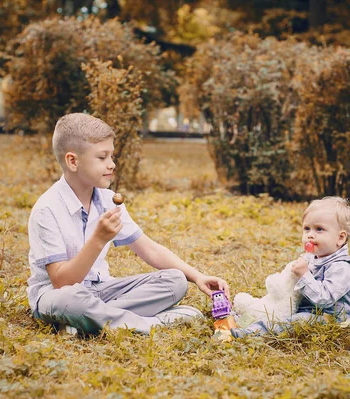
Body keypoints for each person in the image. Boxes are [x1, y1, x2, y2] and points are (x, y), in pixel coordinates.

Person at [27, 113, 229, 336]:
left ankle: (89, 321)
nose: (111, 164)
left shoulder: (108, 200)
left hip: (101, 291)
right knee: (71, 300)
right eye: (102, 157)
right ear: (73, 161)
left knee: (175, 280)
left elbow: (148, 248)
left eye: (112, 156)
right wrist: (98, 239)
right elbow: (62, 281)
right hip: (56, 296)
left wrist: (198, 277)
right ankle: (151, 323)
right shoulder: (47, 209)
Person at [229, 196, 350, 339]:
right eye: (307, 229)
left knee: (293, 322)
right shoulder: (313, 256)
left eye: (319, 229)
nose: (310, 235)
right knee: (274, 307)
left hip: (330, 318)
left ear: (340, 238)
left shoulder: (342, 267)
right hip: (307, 309)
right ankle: (243, 321)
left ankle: (251, 333)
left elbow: (324, 300)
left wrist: (304, 275)